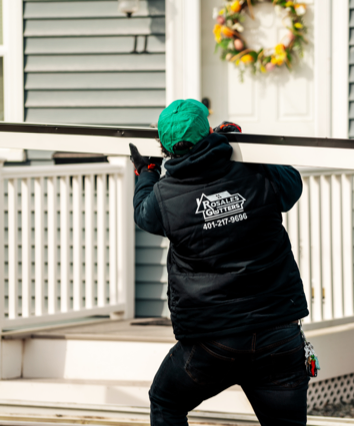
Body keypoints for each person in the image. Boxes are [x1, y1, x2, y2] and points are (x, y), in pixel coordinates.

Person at [129, 99, 310, 426]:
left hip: (214, 342)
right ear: (209, 130)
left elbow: (144, 213)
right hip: (277, 333)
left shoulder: (164, 196)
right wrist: (244, 146)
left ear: (165, 147)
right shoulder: (253, 169)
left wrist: (146, 173)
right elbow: (291, 185)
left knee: (166, 400)